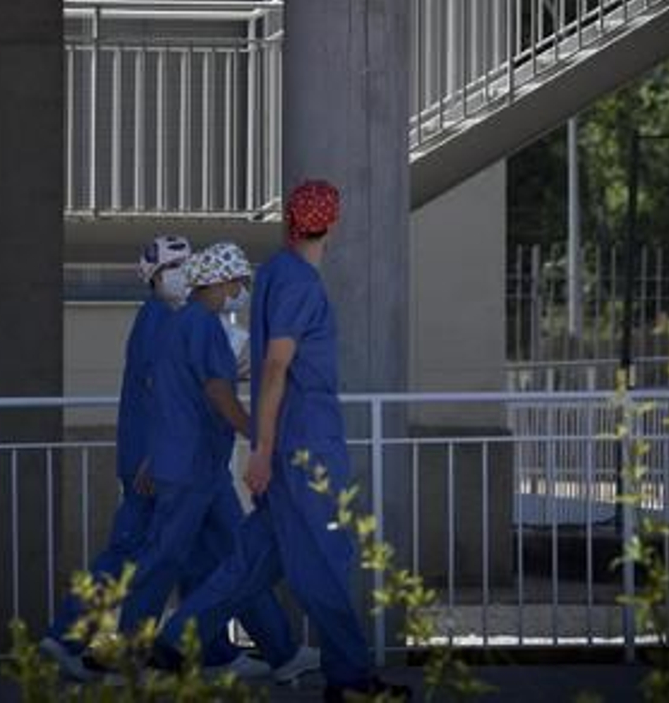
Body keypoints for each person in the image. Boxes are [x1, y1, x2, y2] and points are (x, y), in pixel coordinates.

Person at [153, 182, 411, 701]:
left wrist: (266, 447)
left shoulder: (273, 274)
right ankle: (350, 679)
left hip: (291, 444)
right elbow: (275, 367)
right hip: (305, 446)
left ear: (292, 221)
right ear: (331, 224)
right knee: (328, 558)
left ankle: (176, 641)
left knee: (254, 561)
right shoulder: (302, 286)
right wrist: (263, 449)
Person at [114, 242, 319, 683]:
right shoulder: (202, 326)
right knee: (165, 560)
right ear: (223, 281)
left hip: (190, 465)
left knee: (234, 560)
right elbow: (216, 392)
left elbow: (166, 396)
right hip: (192, 470)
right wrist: (258, 434)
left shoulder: (176, 325)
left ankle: (281, 653)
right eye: (241, 283)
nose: (242, 291)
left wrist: (153, 454)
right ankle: (136, 657)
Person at [38, 235, 191, 681]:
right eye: (175, 266)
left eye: (187, 263)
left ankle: (87, 640)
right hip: (154, 461)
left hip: (150, 455)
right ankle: (87, 640)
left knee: (149, 552)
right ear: (154, 277)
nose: (184, 272)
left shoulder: (157, 318)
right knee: (137, 553)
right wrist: (156, 454)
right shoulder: (161, 319)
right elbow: (159, 392)